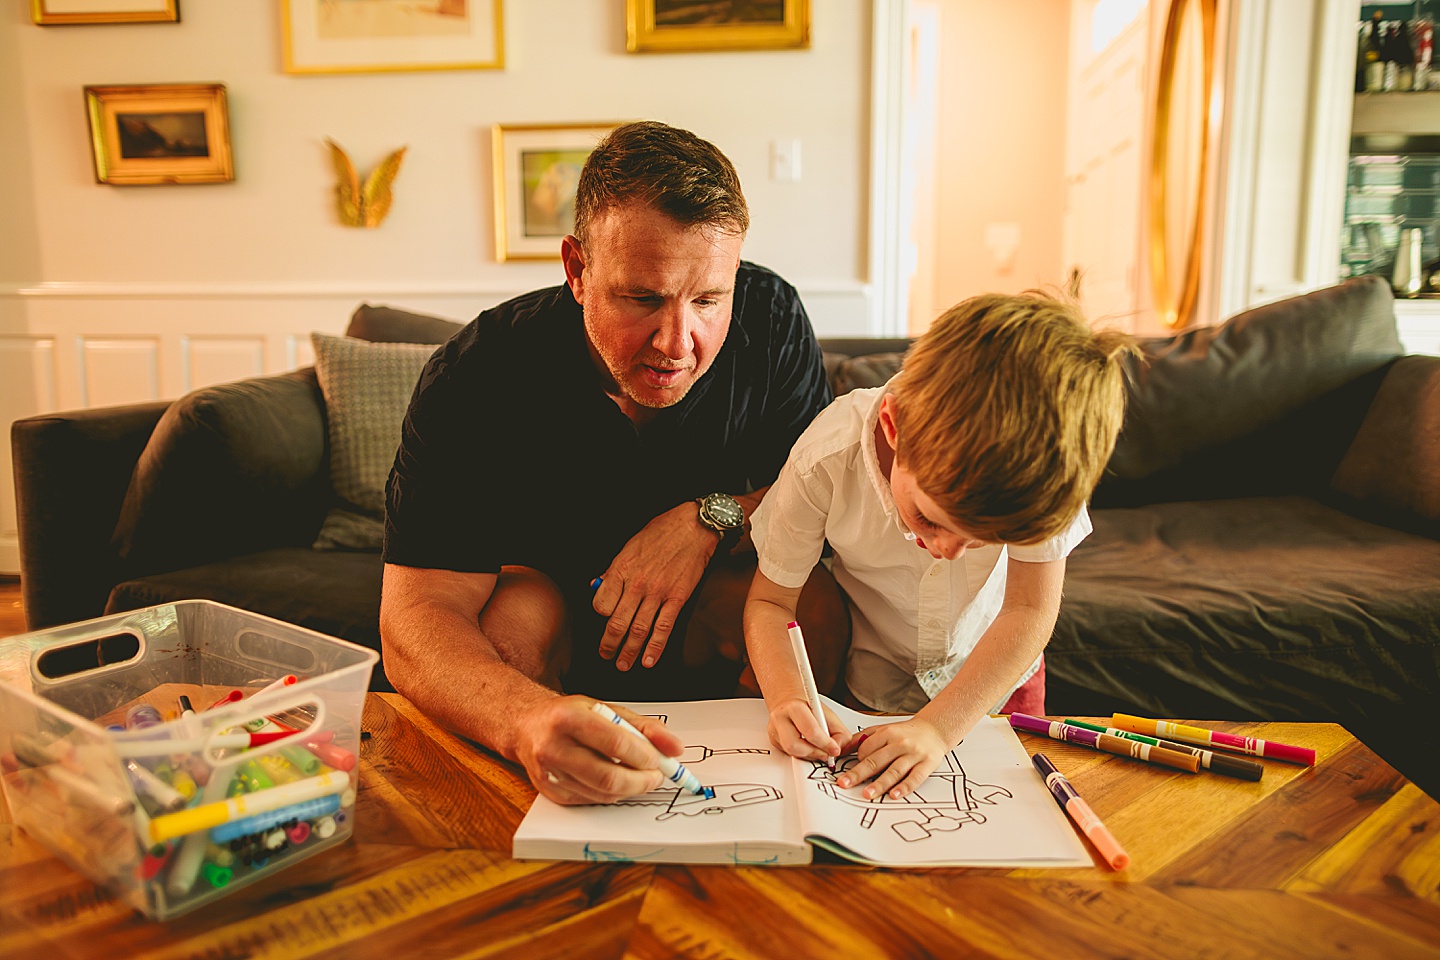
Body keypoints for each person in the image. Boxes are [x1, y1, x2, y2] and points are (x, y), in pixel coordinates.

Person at [379, 121, 848, 806]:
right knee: (509, 627)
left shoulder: (772, 318)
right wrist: (522, 720)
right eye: (643, 298)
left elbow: (826, 500)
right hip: (550, 607)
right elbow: (418, 614)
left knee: (812, 606)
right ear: (577, 269)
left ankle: (800, 803)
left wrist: (712, 519)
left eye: (709, 300)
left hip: (706, 606)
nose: (677, 342)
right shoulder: (478, 371)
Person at [744, 290, 1132, 801]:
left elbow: (1028, 609)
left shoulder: (1045, 475)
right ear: (893, 426)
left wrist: (939, 728)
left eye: (985, 541)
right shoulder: (826, 456)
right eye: (930, 518)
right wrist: (787, 695)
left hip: (997, 683)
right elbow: (771, 603)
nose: (948, 550)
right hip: (868, 686)